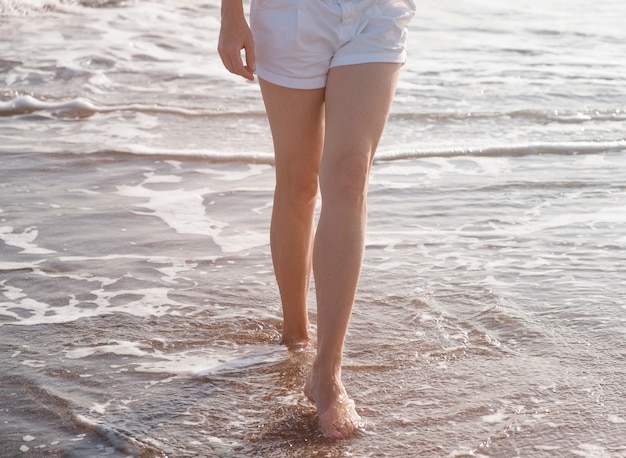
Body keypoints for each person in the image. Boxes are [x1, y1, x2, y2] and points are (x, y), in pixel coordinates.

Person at [218, 0, 415, 439]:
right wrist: (231, 14)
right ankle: (295, 332)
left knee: (348, 176)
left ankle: (326, 373)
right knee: (298, 180)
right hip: (293, 14)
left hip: (375, 12)